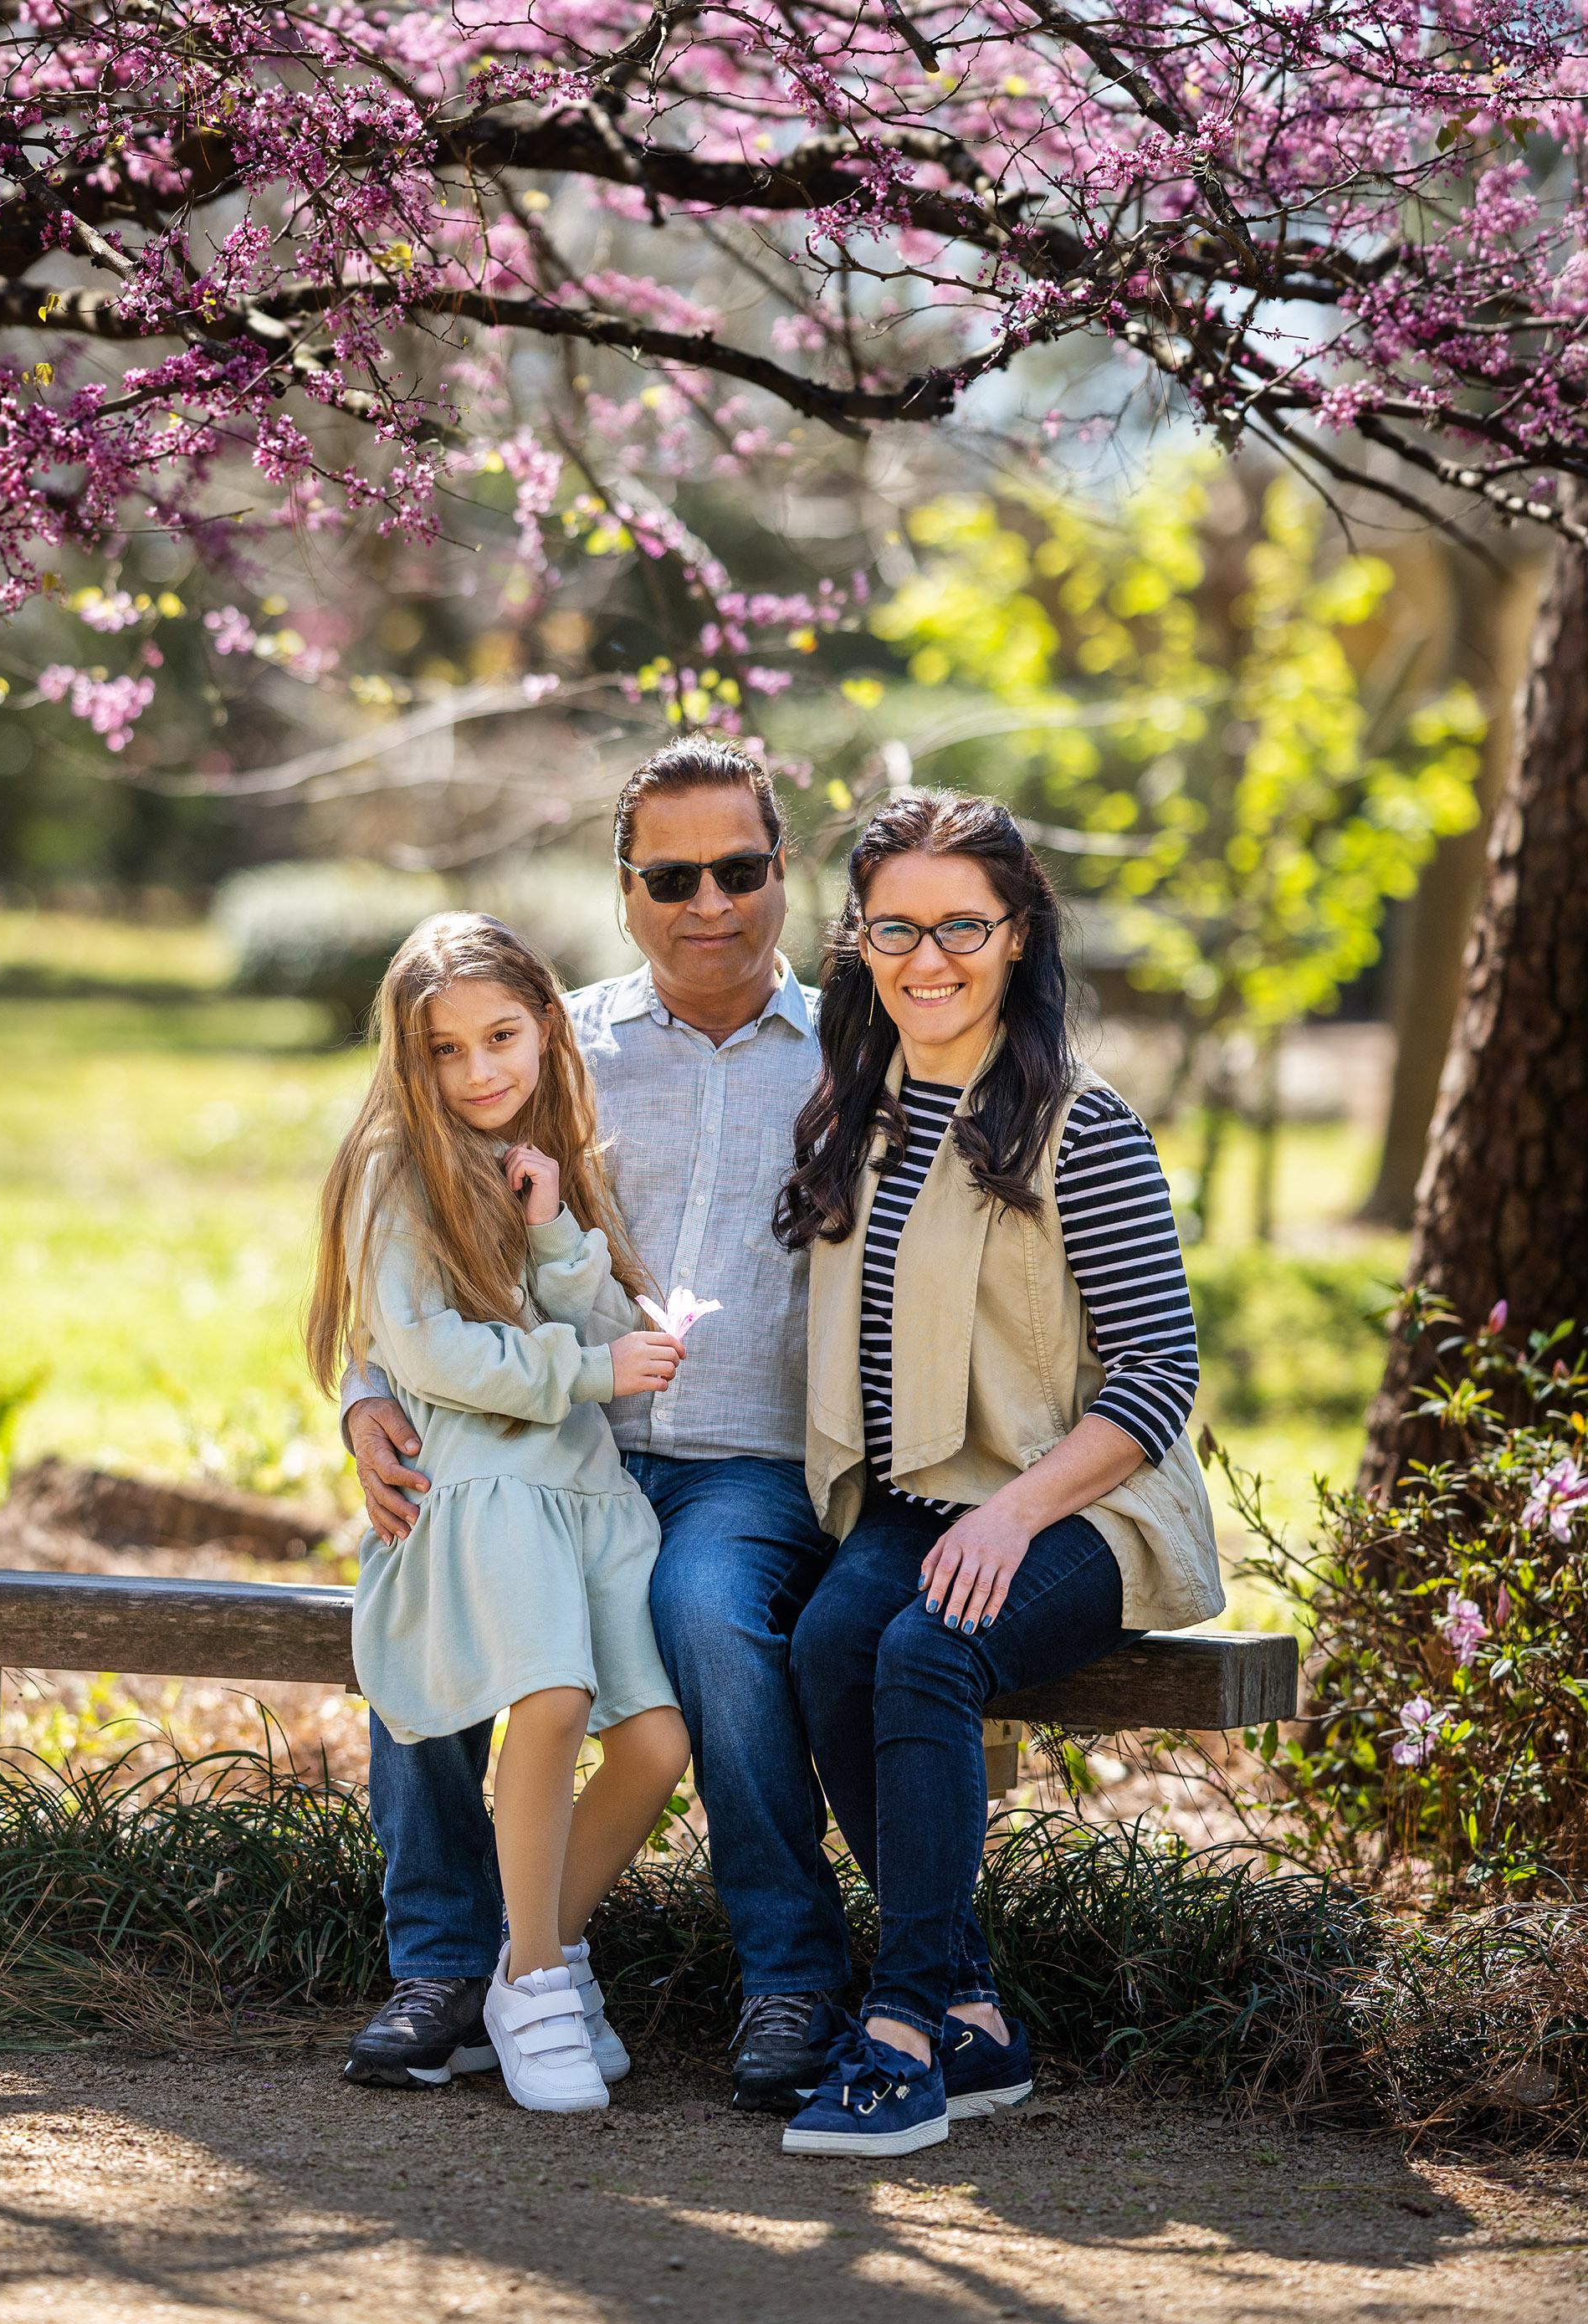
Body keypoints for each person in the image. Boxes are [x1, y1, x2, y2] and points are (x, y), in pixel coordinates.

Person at [341, 739, 854, 2108]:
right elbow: (407, 1252)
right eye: (672, 875)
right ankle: (450, 1967)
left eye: (738, 870)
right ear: (625, 888)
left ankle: (791, 1977)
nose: (709, 902)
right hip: (541, 1442)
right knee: (439, 1573)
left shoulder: (852, 1060)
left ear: (782, 874)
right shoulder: (534, 1038)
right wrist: (365, 1396)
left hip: (740, 1467)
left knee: (703, 1619)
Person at [772, 791, 1223, 2158]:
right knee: (831, 1640)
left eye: (961, 925)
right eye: (895, 927)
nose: (929, 957)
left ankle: (904, 2030)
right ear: (858, 942)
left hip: (1083, 1501)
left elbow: (1159, 1374)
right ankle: (970, 2001)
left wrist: (1019, 1511)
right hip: (920, 1497)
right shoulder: (857, 1112)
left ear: (1017, 936)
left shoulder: (1080, 1126)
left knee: (924, 1649)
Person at [306, 912, 690, 2112]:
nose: (479, 1071)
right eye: (446, 1050)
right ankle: (523, 1974)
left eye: (502, 1037)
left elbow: (599, 1323)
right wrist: (585, 1372)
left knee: (655, 1741)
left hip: (584, 1492)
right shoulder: (393, 1168)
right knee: (555, 1696)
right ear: (408, 1060)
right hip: (484, 1487)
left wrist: (554, 1225)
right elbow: (423, 1348)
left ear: (545, 1026)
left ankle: (535, 1960)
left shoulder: (542, 1155)